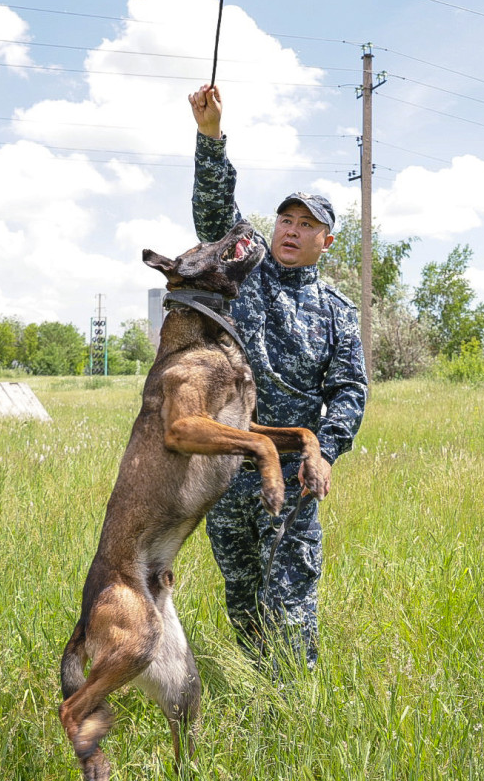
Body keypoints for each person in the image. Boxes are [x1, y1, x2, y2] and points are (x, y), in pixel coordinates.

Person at [187, 83, 368, 669]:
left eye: (305, 223)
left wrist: (327, 452)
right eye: (285, 219)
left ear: (326, 239)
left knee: (289, 605)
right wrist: (210, 137)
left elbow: (349, 391)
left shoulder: (338, 311)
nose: (290, 230)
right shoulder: (250, 268)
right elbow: (216, 214)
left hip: (291, 473)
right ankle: (260, 696)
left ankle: (296, 710)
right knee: (244, 605)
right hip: (226, 469)